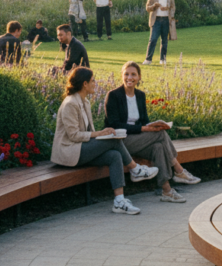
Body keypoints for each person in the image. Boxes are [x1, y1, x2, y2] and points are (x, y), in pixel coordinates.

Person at [51, 67, 159, 215]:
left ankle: (119, 201)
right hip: (70, 152)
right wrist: (100, 134)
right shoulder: (70, 103)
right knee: (113, 140)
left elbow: (88, 132)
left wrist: (101, 135)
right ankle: (136, 169)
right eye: (93, 81)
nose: (95, 83)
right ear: (84, 84)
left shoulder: (85, 102)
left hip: (82, 149)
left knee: (115, 155)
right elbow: (74, 136)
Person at [105, 62, 201, 204]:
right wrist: (143, 129)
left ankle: (166, 190)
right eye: (126, 74)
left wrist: (152, 125)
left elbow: (144, 121)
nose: (129, 77)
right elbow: (114, 124)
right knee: (159, 135)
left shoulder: (140, 95)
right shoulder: (113, 95)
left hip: (138, 140)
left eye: (133, 74)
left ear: (139, 77)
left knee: (159, 147)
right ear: (122, 76)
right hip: (120, 141)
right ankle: (178, 169)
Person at [144, 0, 175, 66]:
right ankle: (148, 59)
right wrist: (154, 6)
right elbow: (147, 8)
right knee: (153, 40)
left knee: (164, 41)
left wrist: (168, 10)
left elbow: (173, 8)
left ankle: (163, 59)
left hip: (166, 20)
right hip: (156, 20)